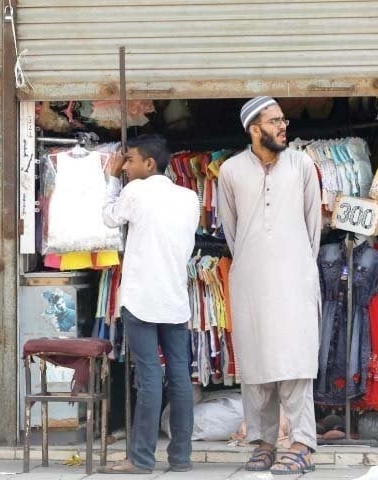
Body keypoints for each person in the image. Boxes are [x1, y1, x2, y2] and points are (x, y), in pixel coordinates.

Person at [217, 96, 322, 475]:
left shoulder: (302, 165)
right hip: (250, 281)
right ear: (254, 129)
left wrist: (295, 263)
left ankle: (302, 443)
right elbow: (232, 231)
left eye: (283, 121)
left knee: (295, 362)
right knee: (257, 364)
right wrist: (255, 258)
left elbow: (313, 225)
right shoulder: (229, 171)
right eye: (274, 121)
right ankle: (262, 442)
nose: (283, 127)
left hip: (295, 277)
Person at [99, 133, 199, 474]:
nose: (125, 166)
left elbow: (110, 218)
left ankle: (141, 459)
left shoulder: (134, 190)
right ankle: (180, 458)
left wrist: (112, 178)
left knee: (148, 378)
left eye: (129, 160)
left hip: (141, 298)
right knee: (180, 377)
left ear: (149, 164)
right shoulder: (189, 197)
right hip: (174, 298)